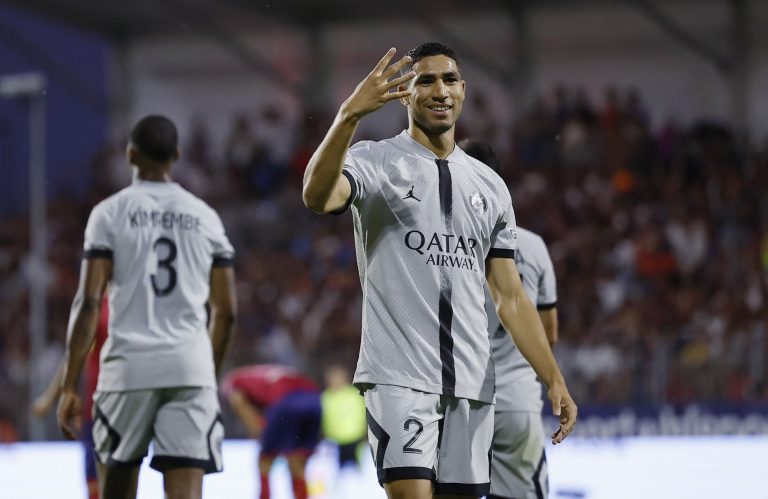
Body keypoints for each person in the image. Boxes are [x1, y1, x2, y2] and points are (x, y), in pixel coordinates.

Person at [302, 42, 577, 499]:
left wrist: (554, 378)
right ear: (405, 94)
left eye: (449, 79)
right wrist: (349, 115)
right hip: (400, 378)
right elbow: (316, 196)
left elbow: (510, 297)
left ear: (463, 90)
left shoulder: (491, 186)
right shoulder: (375, 161)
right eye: (425, 80)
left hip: (472, 384)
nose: (439, 90)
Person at [57, 115, 238, 499]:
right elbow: (226, 312)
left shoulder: (109, 213)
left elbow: (89, 302)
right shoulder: (205, 217)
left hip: (128, 370)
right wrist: (206, 372)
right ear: (176, 155)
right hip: (189, 369)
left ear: (130, 154)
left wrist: (70, 385)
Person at [460, 139, 558, 499]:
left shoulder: (441, 246)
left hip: (458, 400)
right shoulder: (532, 246)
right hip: (516, 400)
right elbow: (548, 333)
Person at [33, 296, 109, 499]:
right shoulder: (98, 304)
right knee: (96, 483)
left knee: (117, 480)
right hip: (96, 409)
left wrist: (50, 398)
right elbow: (75, 353)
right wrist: (51, 397)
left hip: (122, 408)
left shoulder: (121, 301)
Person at [220, 364, 322, 499]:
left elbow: (238, 401)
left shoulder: (232, 382)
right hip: (314, 401)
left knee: (265, 460)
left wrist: (260, 431)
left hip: (287, 403)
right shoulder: (265, 372)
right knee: (298, 462)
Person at [321, 364, 368, 470]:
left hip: (355, 438)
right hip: (334, 441)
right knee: (335, 470)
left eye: (337, 377)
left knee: (357, 470)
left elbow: (363, 414)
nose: (335, 380)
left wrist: (364, 431)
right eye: (332, 378)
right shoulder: (325, 397)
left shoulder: (354, 395)